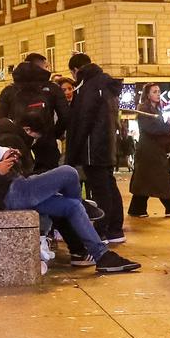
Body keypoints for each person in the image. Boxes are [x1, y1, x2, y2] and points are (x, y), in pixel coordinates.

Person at [0, 100, 137, 274]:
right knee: (69, 173)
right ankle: (83, 206)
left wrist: (3, 160)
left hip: (10, 191)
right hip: (8, 194)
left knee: (71, 206)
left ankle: (102, 256)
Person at [65, 53, 125, 243]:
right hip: (106, 146)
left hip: (92, 148)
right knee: (109, 186)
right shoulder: (106, 85)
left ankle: (102, 230)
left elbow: (83, 120)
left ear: (76, 70)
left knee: (101, 190)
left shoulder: (89, 86)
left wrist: (73, 152)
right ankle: (115, 229)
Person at [127, 84, 170, 217]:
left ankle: (137, 209)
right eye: (154, 92)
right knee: (162, 178)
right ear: (147, 95)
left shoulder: (156, 109)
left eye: (159, 91)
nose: (158, 94)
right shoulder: (144, 109)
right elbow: (152, 129)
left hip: (153, 149)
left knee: (144, 180)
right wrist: (167, 126)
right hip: (149, 151)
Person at [0, 53, 69, 139]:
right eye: (46, 67)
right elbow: (65, 116)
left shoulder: (8, 91)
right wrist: (53, 134)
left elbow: (0, 121)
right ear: (38, 68)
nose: (48, 70)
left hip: (18, 142)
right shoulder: (52, 88)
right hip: (46, 141)